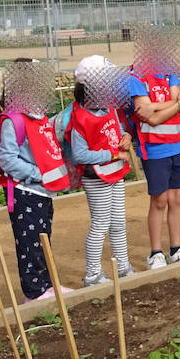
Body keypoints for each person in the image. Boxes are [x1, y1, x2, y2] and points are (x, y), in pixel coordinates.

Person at [0, 60, 74, 301]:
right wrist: (37, 174)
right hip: (26, 191)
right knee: (28, 243)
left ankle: (47, 284)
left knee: (43, 239)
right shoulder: (14, 120)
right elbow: (7, 159)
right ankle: (34, 291)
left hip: (43, 192)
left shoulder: (39, 117)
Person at [61, 56, 135, 286]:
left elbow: (117, 129)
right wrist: (112, 154)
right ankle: (93, 274)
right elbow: (80, 155)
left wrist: (126, 136)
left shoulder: (109, 108)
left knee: (118, 222)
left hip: (115, 173)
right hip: (97, 177)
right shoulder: (80, 118)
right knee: (101, 223)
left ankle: (122, 266)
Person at [128, 56, 180, 269]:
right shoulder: (136, 77)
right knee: (159, 200)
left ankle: (175, 248)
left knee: (177, 197)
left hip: (176, 145)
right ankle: (155, 252)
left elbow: (156, 109)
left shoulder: (171, 72)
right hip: (154, 149)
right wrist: (179, 103)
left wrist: (156, 106)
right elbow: (151, 118)